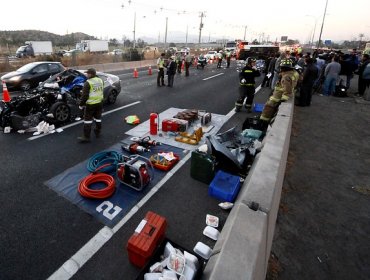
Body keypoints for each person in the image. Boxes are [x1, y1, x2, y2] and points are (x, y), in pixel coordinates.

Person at [260, 58, 299, 123]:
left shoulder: (285, 77)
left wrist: (284, 98)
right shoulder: (294, 73)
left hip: (277, 97)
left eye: (281, 67)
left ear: (284, 68)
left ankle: (263, 122)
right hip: (279, 95)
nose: (280, 69)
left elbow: (287, 89)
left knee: (268, 109)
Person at [77, 68, 104, 143]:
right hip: (99, 103)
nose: (86, 74)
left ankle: (86, 137)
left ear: (91, 74)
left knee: (87, 121)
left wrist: (81, 105)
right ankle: (97, 132)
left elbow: (85, 96)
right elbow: (101, 90)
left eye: (88, 73)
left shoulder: (88, 82)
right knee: (98, 118)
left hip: (91, 105)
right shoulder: (100, 80)